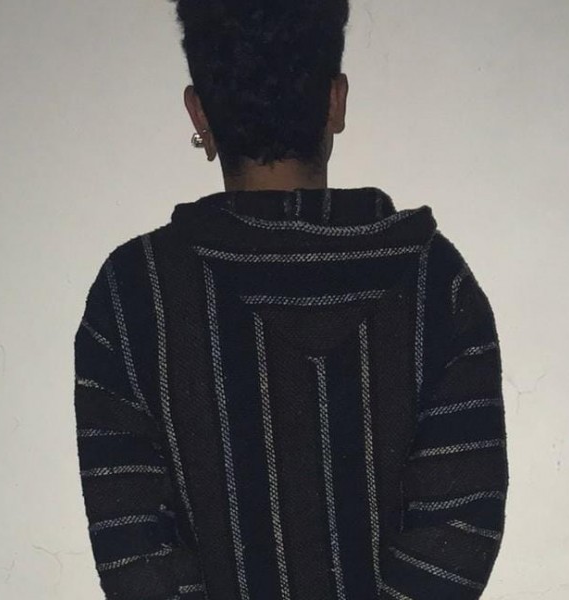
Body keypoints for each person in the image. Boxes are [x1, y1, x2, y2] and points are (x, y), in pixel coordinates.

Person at [73, 1, 508, 598]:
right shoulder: (436, 284)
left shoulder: (132, 296)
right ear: (336, 102)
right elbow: (459, 530)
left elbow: (132, 546)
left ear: (199, 112)